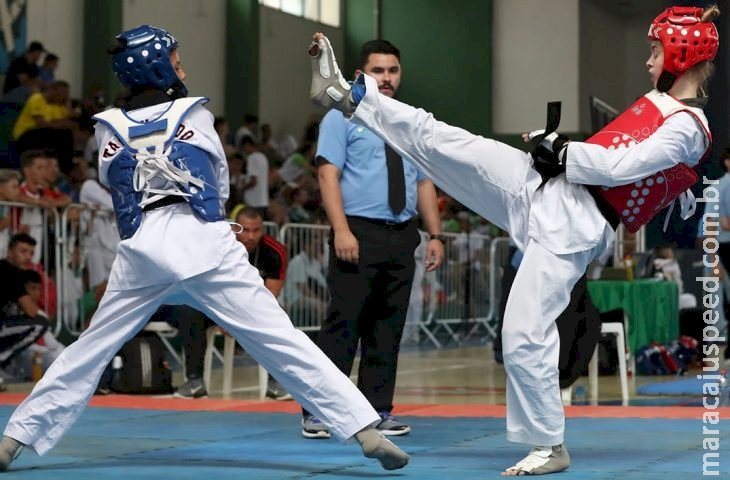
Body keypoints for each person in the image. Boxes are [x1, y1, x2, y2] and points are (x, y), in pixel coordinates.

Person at [308, 4, 719, 474]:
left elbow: (619, 168)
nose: (648, 61)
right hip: (546, 187)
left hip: (577, 222)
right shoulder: (657, 105)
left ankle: (550, 445)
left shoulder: (690, 127)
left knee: (522, 334)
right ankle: (348, 95)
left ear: (681, 56)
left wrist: (562, 150)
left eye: (655, 51)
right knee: (444, 139)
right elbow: (604, 160)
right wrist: (553, 149)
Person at [0, 25, 409, 472]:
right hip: (202, 242)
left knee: (89, 350)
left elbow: (115, 188)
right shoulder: (194, 115)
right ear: (158, 68)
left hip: (142, 248)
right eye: (176, 62)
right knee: (279, 340)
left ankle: (14, 438)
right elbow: (216, 184)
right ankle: (364, 430)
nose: (184, 69)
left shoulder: (107, 128)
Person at [301, 38, 445, 440]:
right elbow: (327, 174)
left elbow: (424, 181)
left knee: (388, 327)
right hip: (358, 231)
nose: (387, 78)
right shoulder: (341, 116)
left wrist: (435, 234)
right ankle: (318, 411)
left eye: (393, 70)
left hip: (402, 235)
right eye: (379, 70)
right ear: (362, 73)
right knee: (343, 324)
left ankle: (377, 410)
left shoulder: (408, 120)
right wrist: (342, 229)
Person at [173, 207, 292, 401]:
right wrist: (224, 317)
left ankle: (276, 382)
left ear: (263, 229)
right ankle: (194, 381)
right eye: (245, 230)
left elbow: (271, 294)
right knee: (190, 312)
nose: (251, 236)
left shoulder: (275, 251)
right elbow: (206, 289)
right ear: (234, 228)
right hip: (216, 305)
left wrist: (237, 316)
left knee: (277, 316)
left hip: (253, 308)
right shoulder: (217, 248)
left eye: (256, 230)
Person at [0, 234, 49, 382]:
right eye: (23, 251)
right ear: (9, 252)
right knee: (41, 322)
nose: (28, 257)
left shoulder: (9, 270)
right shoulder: (8, 272)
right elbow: (31, 312)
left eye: (31, 253)